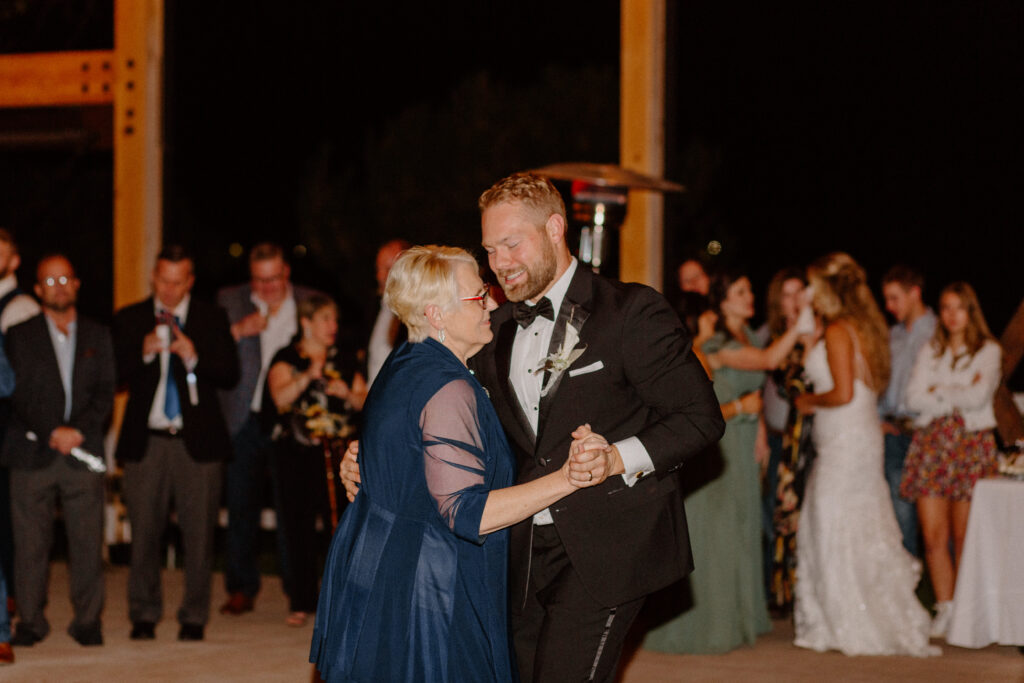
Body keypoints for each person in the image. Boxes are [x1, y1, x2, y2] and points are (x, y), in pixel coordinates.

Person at [341, 173, 724, 682]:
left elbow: (700, 418)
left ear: (555, 228)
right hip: (516, 550)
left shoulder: (631, 311)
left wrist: (616, 457)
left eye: (510, 244)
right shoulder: (490, 329)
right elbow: (435, 404)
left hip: (609, 544)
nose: (499, 263)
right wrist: (374, 456)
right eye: (490, 249)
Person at [311, 245, 612, 681]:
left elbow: (401, 442)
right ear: (437, 314)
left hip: (381, 565)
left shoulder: (404, 362)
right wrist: (568, 478)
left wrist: (366, 460)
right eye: (479, 295)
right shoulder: (450, 389)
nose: (492, 301)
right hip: (429, 584)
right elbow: (466, 511)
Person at [645, 267, 804, 654]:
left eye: (750, 289)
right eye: (741, 290)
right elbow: (763, 364)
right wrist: (804, 323)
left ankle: (743, 617)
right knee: (714, 533)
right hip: (723, 442)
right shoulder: (714, 345)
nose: (750, 297)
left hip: (747, 439)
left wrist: (762, 429)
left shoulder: (745, 336)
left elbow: (760, 390)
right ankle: (707, 624)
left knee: (743, 528)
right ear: (722, 301)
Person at [793, 252, 938, 657]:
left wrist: (808, 400)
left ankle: (844, 621)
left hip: (846, 438)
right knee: (855, 518)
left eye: (813, 285)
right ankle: (851, 614)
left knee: (833, 519)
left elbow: (843, 393)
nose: (809, 293)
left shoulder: (840, 329)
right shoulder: (866, 327)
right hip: (856, 436)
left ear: (829, 288)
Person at [113, 245, 239, 642]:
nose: (169, 289)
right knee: (144, 534)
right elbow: (109, 375)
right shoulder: (130, 318)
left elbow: (230, 374)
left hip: (196, 443)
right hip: (146, 442)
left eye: (177, 281)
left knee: (199, 535)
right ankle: (144, 613)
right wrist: (143, 351)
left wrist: (196, 357)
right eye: (163, 280)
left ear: (190, 281)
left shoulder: (211, 317)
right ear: (153, 277)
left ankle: (193, 616)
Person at [1, 255, 115, 647]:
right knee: (30, 544)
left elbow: (105, 392)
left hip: (82, 452)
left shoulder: (99, 334)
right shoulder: (18, 334)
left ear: (77, 284)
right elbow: (14, 393)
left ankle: (87, 621)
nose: (59, 286)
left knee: (86, 543)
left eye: (65, 278)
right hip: (32, 452)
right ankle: (31, 621)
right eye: (50, 281)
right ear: (37, 290)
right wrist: (52, 430)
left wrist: (78, 431)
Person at [217, 242, 324, 616]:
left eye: (274, 279)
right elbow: (209, 350)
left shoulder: (310, 302)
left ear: (286, 274)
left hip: (291, 418)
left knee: (291, 508)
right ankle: (241, 588)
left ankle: (299, 591)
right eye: (259, 281)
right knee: (240, 504)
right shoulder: (230, 301)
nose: (267, 288)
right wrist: (236, 331)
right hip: (244, 417)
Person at [900, 281, 1001, 639]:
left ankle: (969, 611)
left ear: (971, 311)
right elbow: (912, 398)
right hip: (931, 445)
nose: (952, 314)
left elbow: (977, 397)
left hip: (969, 446)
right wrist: (953, 391)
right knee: (933, 535)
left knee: (965, 534)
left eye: (959, 307)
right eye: (945, 307)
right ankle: (946, 607)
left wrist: (937, 390)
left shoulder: (988, 350)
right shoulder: (931, 350)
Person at [265, 294, 366, 628]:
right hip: (297, 454)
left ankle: (343, 596)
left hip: (339, 455)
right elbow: (278, 397)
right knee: (298, 529)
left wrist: (346, 394)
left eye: (335, 320)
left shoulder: (346, 358)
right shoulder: (287, 357)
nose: (332, 327)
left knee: (342, 525)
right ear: (306, 322)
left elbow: (367, 401)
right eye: (325, 319)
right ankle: (301, 599)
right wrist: (308, 376)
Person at [880, 265, 937, 557]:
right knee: (899, 513)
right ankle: (909, 583)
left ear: (914, 293)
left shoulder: (938, 332)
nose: (889, 306)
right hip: (893, 431)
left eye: (894, 298)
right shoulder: (892, 336)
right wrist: (879, 418)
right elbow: (881, 381)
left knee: (932, 519)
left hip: (925, 431)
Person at [0, 228, 41, 617]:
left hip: (9, 429)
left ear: (14, 262)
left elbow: (21, 381)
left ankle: (9, 598)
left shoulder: (21, 308)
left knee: (7, 520)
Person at [366, 239, 410, 386]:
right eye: (378, 269)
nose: (380, 277)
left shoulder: (415, 316)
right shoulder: (375, 307)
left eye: (387, 269)